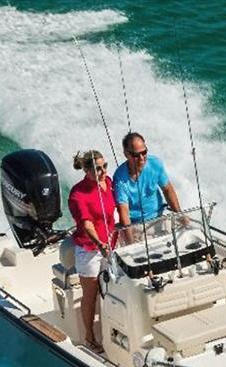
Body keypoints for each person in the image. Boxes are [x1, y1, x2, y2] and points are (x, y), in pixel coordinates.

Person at [67, 149, 116, 353]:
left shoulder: (108, 182)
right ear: (86, 170)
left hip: (112, 244)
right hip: (90, 250)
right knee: (92, 293)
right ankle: (89, 336)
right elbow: (87, 224)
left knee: (114, 287)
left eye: (105, 166)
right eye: (97, 168)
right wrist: (99, 244)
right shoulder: (78, 194)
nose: (103, 171)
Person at [113, 132, 182, 228]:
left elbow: (167, 190)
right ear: (126, 154)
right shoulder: (119, 178)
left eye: (144, 152)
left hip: (159, 218)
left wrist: (179, 215)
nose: (141, 158)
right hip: (136, 225)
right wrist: (132, 242)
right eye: (136, 155)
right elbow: (123, 211)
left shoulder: (155, 163)